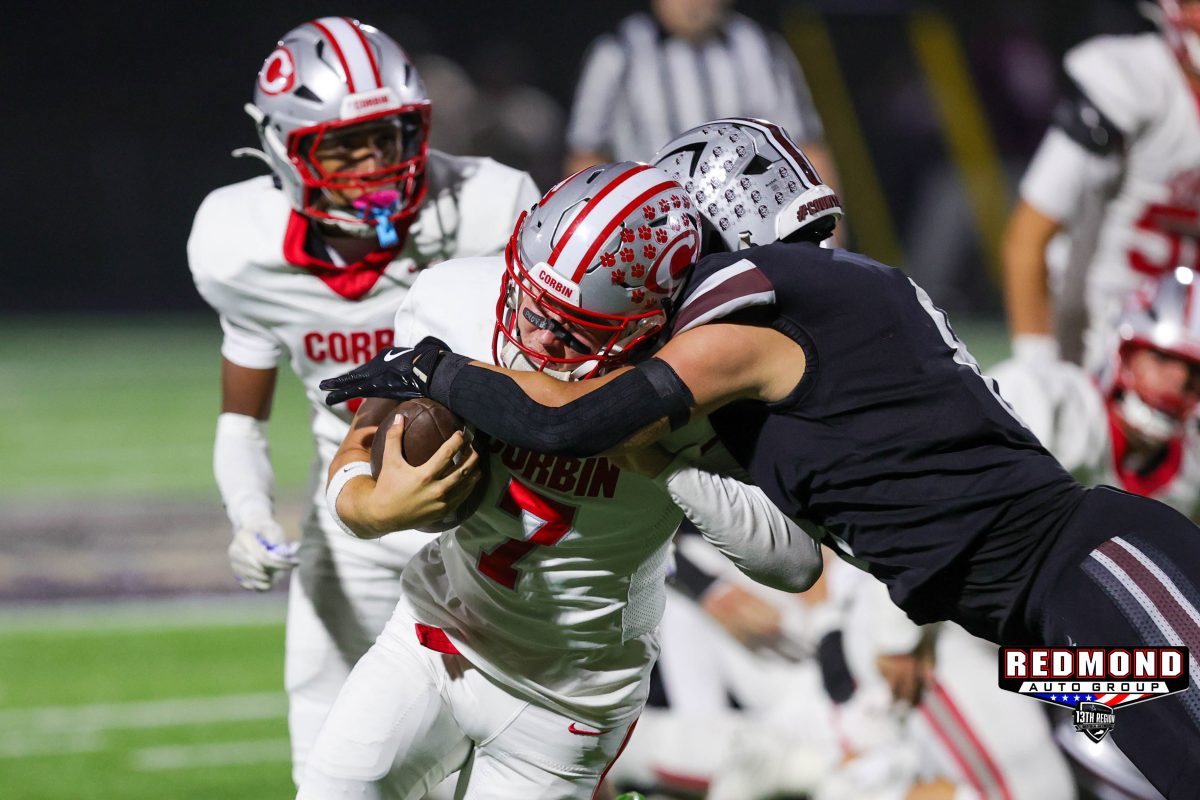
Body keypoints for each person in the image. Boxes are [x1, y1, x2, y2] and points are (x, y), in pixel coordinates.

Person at [320, 118, 1200, 798]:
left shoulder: (755, 313)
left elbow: (570, 424)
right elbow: (795, 552)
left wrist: (436, 367)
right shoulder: (808, 322)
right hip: (1023, 625)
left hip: (1085, 571)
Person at [300, 162, 821, 799]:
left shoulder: (700, 385)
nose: (536, 337)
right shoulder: (456, 300)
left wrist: (656, 455)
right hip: (435, 635)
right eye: (530, 305)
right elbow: (362, 435)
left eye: (573, 329)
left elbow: (794, 561)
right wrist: (367, 509)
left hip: (569, 698)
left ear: (645, 327)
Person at [186, 16, 540, 792]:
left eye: (389, 137)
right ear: (284, 149)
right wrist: (249, 514)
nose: (375, 166)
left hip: (491, 520)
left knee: (510, 753)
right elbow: (241, 420)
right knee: (327, 765)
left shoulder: (492, 207)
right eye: (344, 147)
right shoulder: (238, 245)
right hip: (351, 519)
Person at [1003, 0, 1200, 371]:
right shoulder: (1137, 81)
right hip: (1103, 340)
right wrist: (1038, 367)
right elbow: (1028, 236)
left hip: (1187, 348)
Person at [564, 0, 837, 191]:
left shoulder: (761, 48)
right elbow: (586, 156)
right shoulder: (619, 51)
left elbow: (807, 149)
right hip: (655, 225)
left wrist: (827, 236)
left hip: (756, 225)